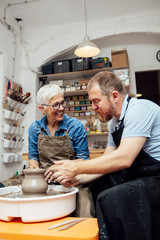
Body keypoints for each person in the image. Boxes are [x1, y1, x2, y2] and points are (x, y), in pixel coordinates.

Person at [45, 71, 160, 240]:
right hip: (137, 174)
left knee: (112, 197)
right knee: (97, 184)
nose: (93, 107)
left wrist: (76, 166)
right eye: (91, 101)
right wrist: (79, 178)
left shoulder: (140, 110)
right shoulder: (115, 122)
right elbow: (107, 161)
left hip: (155, 176)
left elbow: (124, 158)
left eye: (96, 101)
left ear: (114, 96)